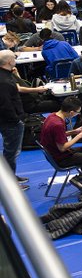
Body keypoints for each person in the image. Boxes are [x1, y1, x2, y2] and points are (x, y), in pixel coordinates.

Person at [40, 96, 82, 192]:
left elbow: (58, 135)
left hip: (54, 153)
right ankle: (81, 179)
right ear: (71, 112)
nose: (77, 114)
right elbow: (62, 148)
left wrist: (74, 131)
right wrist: (79, 136)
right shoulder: (57, 124)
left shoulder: (52, 116)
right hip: (61, 158)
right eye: (77, 112)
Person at [0, 49, 27, 185]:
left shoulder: (6, 74)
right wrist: (16, 119)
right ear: (10, 61)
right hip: (10, 121)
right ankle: (10, 182)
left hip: (10, 119)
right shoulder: (4, 81)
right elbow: (5, 104)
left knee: (12, 152)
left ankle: (11, 176)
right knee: (11, 152)